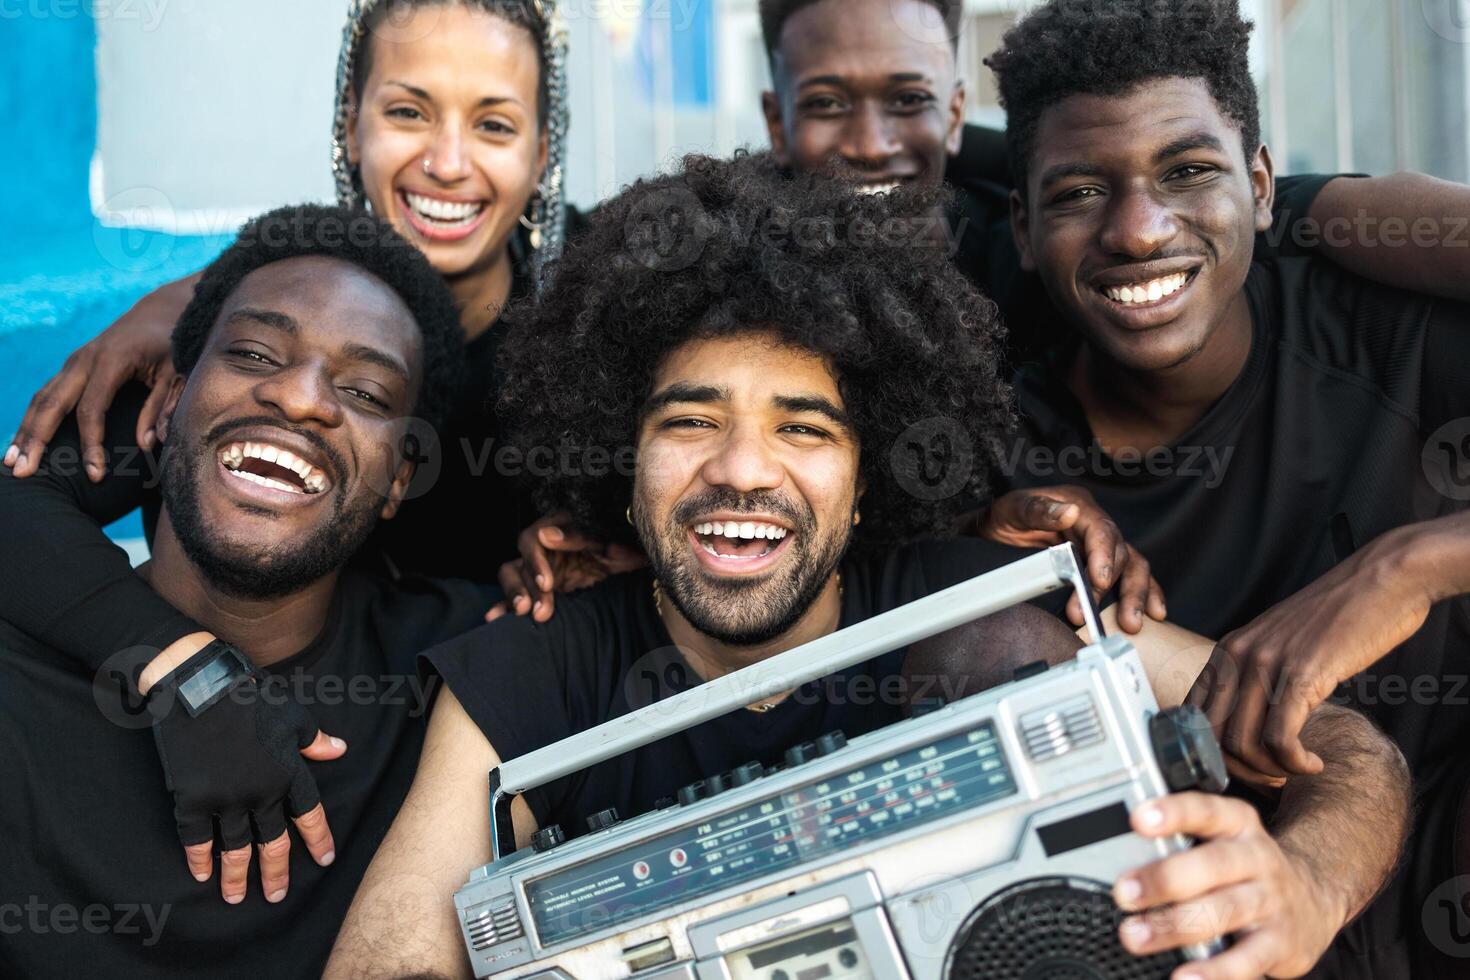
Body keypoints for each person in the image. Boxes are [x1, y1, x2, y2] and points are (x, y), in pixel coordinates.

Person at [325, 153, 1410, 980]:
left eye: (804, 429)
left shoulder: (985, 597)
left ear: (868, 472)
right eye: (690, 421)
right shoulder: (536, 671)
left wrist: (1304, 886)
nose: (742, 470)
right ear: (621, 453)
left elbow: (1347, 744)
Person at [493, 0, 1470, 631]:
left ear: (957, 114)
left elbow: (1170, 185)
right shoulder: (743, 279)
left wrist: (1319, 206)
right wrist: (615, 531)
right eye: (830, 103)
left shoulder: (1070, 208)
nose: (872, 144)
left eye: (909, 100)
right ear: (778, 118)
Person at [982, 0, 1470, 973]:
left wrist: (1411, 566)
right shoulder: (1012, 460)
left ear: (1259, 182)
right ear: (1025, 231)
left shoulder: (1394, 331)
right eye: (1080, 192)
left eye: (1188, 171)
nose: (1137, 228)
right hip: (1234, 926)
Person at [0, 204, 495, 978]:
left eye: (366, 393)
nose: (301, 399)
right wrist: (186, 671)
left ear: (401, 477)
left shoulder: (460, 672)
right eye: (256, 354)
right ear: (164, 404)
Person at [6, 0, 576, 578]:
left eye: (495, 125)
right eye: (408, 112)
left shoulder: (615, 301)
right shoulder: (246, 313)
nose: (449, 163)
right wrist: (165, 647)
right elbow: (22, 508)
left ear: (542, 152)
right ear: (352, 127)